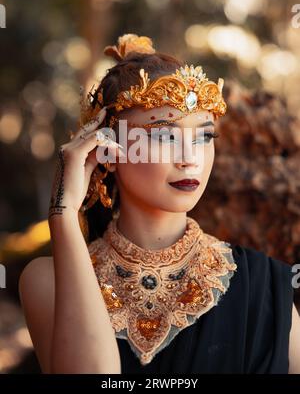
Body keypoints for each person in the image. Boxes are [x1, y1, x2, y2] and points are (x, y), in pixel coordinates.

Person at [18, 33, 300, 374]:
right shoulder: (47, 280)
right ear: (105, 150)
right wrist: (63, 216)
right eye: (164, 135)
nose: (189, 158)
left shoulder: (266, 285)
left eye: (204, 136)